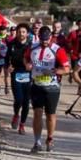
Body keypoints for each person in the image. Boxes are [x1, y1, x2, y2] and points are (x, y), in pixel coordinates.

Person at [26, 25, 71, 153]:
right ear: (38, 37)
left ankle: (50, 138)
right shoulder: (33, 47)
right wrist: (28, 64)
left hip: (52, 87)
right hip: (36, 85)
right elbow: (26, 58)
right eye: (42, 39)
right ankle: (37, 141)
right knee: (37, 113)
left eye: (47, 39)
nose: (44, 42)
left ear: (51, 37)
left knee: (50, 115)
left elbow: (67, 69)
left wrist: (56, 71)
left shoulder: (58, 50)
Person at [7, 24, 33, 132]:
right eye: (19, 32)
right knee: (18, 99)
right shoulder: (11, 44)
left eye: (23, 32)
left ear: (27, 33)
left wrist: (31, 66)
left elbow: (35, 60)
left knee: (26, 102)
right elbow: (6, 58)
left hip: (28, 74)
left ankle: (22, 124)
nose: (21, 34)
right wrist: (8, 66)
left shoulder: (31, 46)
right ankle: (16, 114)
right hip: (16, 73)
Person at [0, 27, 10, 95]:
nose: (2, 31)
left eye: (4, 30)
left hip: (6, 59)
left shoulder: (8, 38)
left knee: (6, 74)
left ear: (6, 31)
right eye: (1, 30)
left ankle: (7, 87)